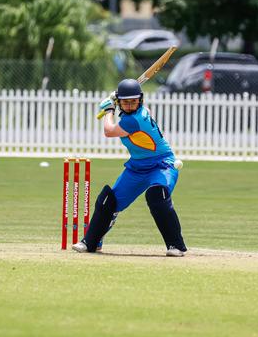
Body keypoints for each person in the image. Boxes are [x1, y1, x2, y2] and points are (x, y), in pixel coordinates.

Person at [72, 79, 187, 256]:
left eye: (134, 101)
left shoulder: (135, 119)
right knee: (108, 201)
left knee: (157, 195)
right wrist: (115, 103)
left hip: (162, 165)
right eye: (126, 102)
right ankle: (91, 242)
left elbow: (109, 131)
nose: (131, 105)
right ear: (120, 102)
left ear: (140, 100)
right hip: (137, 167)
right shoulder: (140, 112)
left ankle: (176, 246)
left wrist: (109, 110)